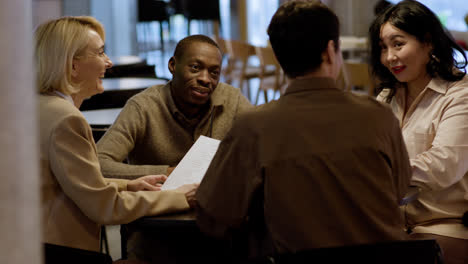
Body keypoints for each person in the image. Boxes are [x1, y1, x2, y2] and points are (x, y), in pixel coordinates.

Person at [196, 0, 412, 259]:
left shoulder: (253, 127)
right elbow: (399, 189)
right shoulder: (378, 116)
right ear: (331, 51)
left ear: (277, 57)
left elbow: (215, 215)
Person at [37, 16, 197, 253]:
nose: (109, 62)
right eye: (100, 53)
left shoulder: (39, 106)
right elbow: (104, 206)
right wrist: (178, 197)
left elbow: (71, 183)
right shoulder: (67, 120)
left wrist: (128, 185)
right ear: (72, 65)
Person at [369, 1, 468, 263]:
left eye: (398, 44)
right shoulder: (388, 96)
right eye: (383, 48)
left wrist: (380, 170)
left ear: (428, 42)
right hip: (393, 226)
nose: (390, 57)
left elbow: (444, 164)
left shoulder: (460, 95)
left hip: (445, 224)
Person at [96, 34, 252, 179]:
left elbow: (262, 148)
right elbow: (99, 163)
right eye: (195, 68)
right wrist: (168, 173)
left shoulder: (232, 99)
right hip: (161, 203)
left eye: (214, 73)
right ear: (172, 65)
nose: (205, 79)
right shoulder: (143, 107)